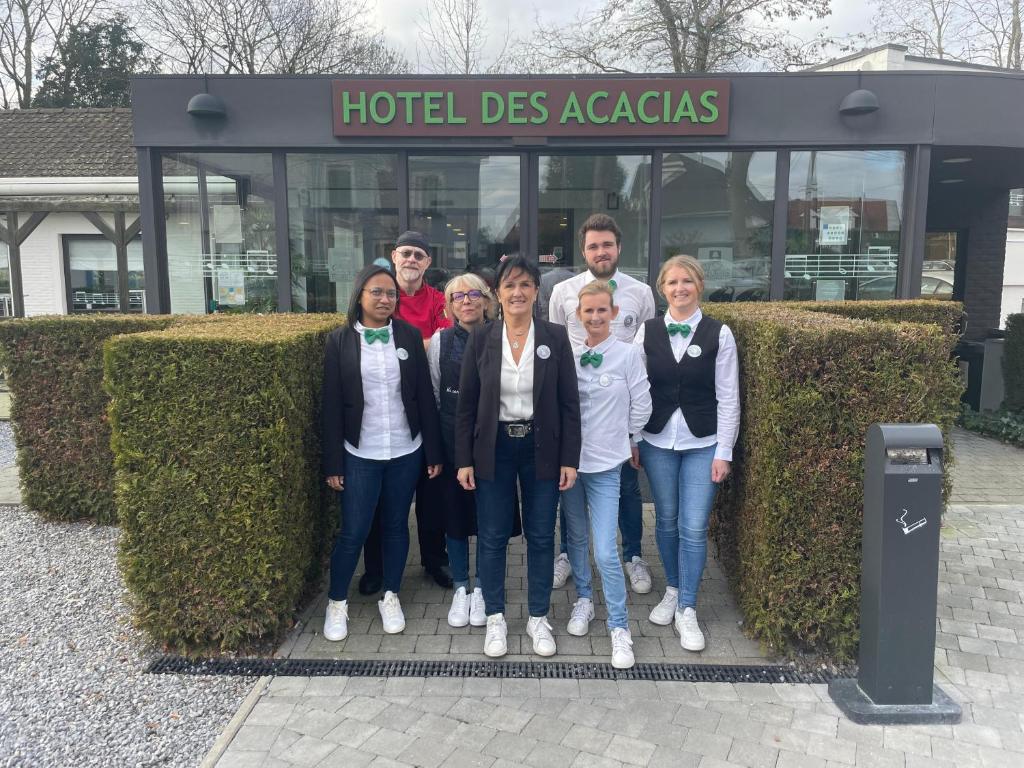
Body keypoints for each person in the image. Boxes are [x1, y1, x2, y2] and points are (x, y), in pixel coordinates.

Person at [455, 255, 582, 658]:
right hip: (493, 449)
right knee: (492, 536)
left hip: (540, 447)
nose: (517, 292)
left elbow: (568, 404)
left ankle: (538, 617)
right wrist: (464, 460)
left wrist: (569, 458)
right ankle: (495, 617)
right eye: (509, 285)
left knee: (542, 536)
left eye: (525, 284)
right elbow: (467, 406)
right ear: (498, 292)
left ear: (536, 291)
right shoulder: (482, 338)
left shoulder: (555, 337)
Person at [321, 264, 443, 641]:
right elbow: (331, 405)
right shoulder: (339, 341)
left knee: (394, 527)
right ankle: (336, 603)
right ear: (359, 295)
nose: (385, 299)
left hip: (406, 450)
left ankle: (391, 596)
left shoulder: (407, 335)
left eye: (391, 293)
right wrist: (333, 462)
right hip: (359, 452)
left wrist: (433, 452)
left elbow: (424, 395)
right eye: (377, 292)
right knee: (354, 531)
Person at [634, 255, 739, 652]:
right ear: (662, 288)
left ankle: (689, 608)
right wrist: (632, 439)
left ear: (699, 284)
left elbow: (729, 398)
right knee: (666, 520)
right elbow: (634, 388)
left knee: (693, 527)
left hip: (703, 443)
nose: (680, 288)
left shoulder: (719, 334)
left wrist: (723, 451)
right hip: (657, 440)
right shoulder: (646, 333)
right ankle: (674, 590)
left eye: (687, 281)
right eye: (672, 282)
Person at [548, 214, 657, 594]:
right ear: (584, 250)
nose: (601, 251)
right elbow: (557, 349)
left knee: (627, 488)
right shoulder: (563, 291)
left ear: (619, 247)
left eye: (607, 244)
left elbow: (647, 348)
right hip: (577, 411)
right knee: (570, 490)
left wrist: (633, 433)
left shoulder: (640, 293)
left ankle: (633, 556)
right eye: (593, 245)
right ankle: (567, 555)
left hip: (619, 410)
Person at [561, 281, 651, 669]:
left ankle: (619, 626)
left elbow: (642, 404)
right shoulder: (568, 355)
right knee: (576, 539)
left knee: (605, 550)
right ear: (578, 317)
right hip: (571, 466)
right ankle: (584, 599)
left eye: (602, 310)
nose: (595, 317)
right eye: (588, 311)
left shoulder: (629, 354)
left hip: (607, 466)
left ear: (614, 314)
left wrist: (628, 439)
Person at [359, 231, 453, 595]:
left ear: (427, 263)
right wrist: (422, 341)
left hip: (429, 407)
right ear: (394, 257)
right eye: (406, 254)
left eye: (419, 255)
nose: (412, 260)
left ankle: (435, 560)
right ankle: (375, 569)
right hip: (384, 411)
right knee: (383, 500)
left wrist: (408, 341)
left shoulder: (439, 300)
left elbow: (444, 347)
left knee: (432, 496)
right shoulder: (381, 296)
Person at [427, 273, 500, 628]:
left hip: (492, 440)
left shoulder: (502, 336)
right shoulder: (439, 342)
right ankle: (461, 587)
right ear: (449, 305)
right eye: (457, 296)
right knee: (454, 517)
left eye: (474, 294)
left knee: (488, 517)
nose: (466, 301)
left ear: (487, 299)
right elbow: (436, 396)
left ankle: (484, 587)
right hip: (452, 440)